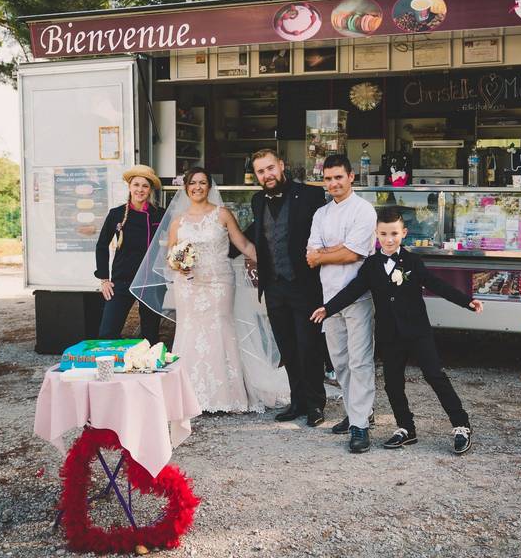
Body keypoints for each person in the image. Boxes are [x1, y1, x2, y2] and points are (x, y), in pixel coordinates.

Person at [311, 207, 484, 454]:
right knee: (392, 384)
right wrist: (328, 309)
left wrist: (467, 301)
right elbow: (353, 291)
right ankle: (405, 427)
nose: (389, 239)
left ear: (403, 233)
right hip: (390, 335)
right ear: (376, 234)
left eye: (394, 233)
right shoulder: (371, 265)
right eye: (383, 233)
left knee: (435, 376)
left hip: (417, 331)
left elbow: (437, 284)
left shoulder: (413, 262)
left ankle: (461, 425)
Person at [133, 166, 289, 413]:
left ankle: (228, 397)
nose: (197, 187)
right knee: (190, 331)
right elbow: (169, 256)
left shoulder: (223, 214)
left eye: (203, 183)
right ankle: (190, 396)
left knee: (221, 330)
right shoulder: (177, 221)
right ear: (186, 188)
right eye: (193, 183)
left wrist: (274, 263)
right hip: (190, 284)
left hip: (219, 282)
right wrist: (178, 266)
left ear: (209, 186)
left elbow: (243, 244)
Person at [242, 149, 329, 426]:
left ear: (281, 166)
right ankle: (298, 401)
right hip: (274, 287)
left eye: (270, 168)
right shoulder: (257, 201)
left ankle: (316, 404)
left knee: (309, 347)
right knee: (287, 348)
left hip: (304, 285)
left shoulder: (311, 196)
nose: (267, 175)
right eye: (260, 171)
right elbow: (256, 233)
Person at [306, 155, 377, 453]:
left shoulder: (364, 210)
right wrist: (334, 251)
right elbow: (311, 255)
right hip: (329, 298)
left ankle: (360, 426)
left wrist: (327, 252)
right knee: (340, 362)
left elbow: (354, 254)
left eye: (339, 177)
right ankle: (357, 412)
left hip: (358, 296)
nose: (333, 183)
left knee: (360, 361)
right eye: (328, 178)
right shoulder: (320, 214)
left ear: (351, 177)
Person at [95, 165, 165, 343]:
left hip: (151, 282)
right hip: (122, 279)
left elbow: (173, 243)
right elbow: (102, 246)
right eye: (136, 185)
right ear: (129, 186)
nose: (140, 190)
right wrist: (104, 279)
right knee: (107, 333)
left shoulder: (160, 214)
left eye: (145, 186)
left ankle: (146, 369)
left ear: (150, 190)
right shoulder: (116, 214)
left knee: (150, 337)